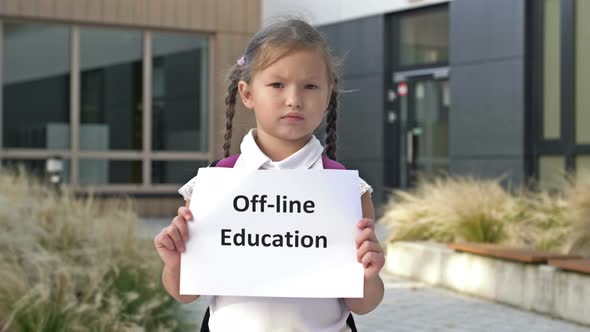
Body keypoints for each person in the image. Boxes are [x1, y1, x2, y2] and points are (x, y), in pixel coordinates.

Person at [153, 17, 385, 331]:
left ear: (329, 94)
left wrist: (368, 276)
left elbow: (363, 304)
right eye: (277, 84)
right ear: (247, 94)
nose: (294, 99)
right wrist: (175, 264)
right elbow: (185, 293)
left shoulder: (349, 190)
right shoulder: (214, 185)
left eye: (310, 86)